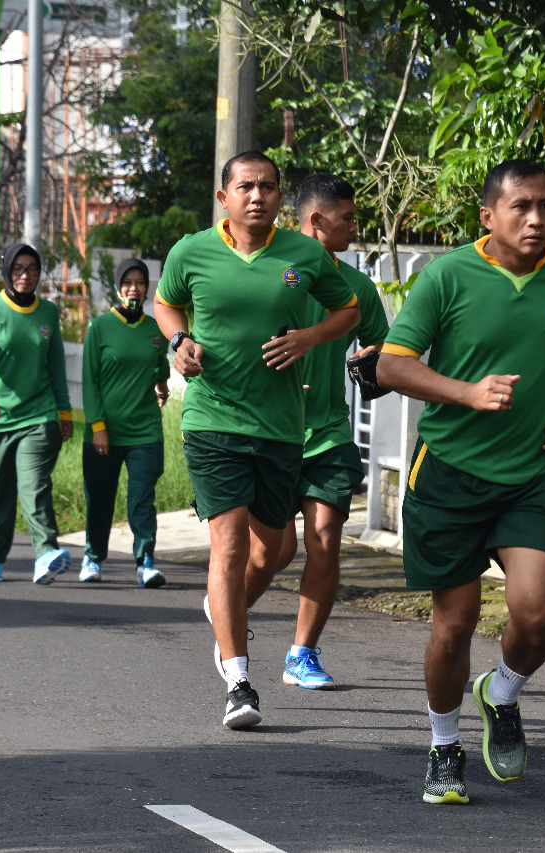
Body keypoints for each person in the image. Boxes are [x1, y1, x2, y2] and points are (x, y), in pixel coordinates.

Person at [376, 160, 545, 805]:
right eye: (521, 207)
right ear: (488, 216)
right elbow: (392, 366)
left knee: (537, 616)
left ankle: (501, 692)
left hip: (531, 473)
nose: (536, 219)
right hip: (448, 474)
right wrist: (468, 392)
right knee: (453, 624)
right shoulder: (447, 276)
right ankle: (443, 745)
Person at [153, 151, 360, 729]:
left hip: (280, 428)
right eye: (246, 186)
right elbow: (166, 303)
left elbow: (347, 311)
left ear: (280, 197)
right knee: (229, 545)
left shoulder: (303, 255)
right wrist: (178, 342)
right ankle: (239, 680)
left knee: (276, 550)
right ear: (224, 197)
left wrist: (309, 337)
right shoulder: (191, 251)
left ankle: (224, 612)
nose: (258, 195)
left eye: (268, 186)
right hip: (212, 421)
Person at [240, 173, 391, 690]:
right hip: (269, 430)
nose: (354, 227)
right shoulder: (268, 268)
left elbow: (383, 347)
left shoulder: (357, 287)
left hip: (328, 432)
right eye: (347, 218)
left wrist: (372, 358)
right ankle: (229, 610)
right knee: (275, 553)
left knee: (325, 539)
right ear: (316, 219)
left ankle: (301, 654)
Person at [0, 242, 74, 584]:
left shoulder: (48, 313)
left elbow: (56, 365)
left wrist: (64, 411)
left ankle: (46, 553)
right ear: (7, 272)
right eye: (18, 269)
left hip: (38, 415)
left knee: (34, 485)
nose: (25, 275)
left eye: (31, 269)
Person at [80, 258, 171, 587]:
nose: (134, 288)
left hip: (145, 430)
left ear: (147, 288)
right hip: (105, 432)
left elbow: (160, 364)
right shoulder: (100, 327)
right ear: (118, 287)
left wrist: (162, 385)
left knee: (142, 498)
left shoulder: (155, 329)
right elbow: (90, 381)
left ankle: (145, 562)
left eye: (140, 282)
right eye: (128, 282)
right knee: (100, 498)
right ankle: (92, 558)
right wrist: (98, 427)